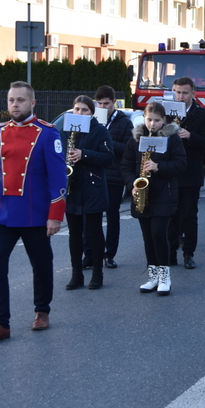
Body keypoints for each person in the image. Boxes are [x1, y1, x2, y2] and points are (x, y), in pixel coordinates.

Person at [0, 81, 66, 345]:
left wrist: (55, 215)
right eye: (11, 100)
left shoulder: (47, 133)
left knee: (41, 265)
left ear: (32, 103)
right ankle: (0, 324)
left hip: (35, 214)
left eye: (20, 100)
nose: (15, 105)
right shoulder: (1, 131)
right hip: (4, 213)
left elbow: (58, 178)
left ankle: (42, 311)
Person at [121, 102, 187, 296]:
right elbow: (125, 166)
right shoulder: (135, 139)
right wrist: (132, 185)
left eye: (157, 120)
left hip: (164, 193)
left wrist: (159, 167)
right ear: (144, 118)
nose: (152, 124)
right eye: (149, 119)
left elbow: (181, 164)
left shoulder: (172, 138)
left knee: (158, 234)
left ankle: (165, 277)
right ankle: (153, 277)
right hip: (142, 194)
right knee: (147, 237)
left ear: (164, 120)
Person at [62, 95, 114, 290]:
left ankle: (97, 273)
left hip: (93, 187)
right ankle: (76, 275)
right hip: (72, 187)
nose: (80, 113)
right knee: (74, 233)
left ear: (92, 113)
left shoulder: (99, 130)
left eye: (85, 110)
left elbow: (108, 158)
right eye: (77, 109)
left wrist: (84, 154)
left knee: (94, 231)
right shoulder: (67, 130)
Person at [167, 77, 205, 269]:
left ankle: (189, 253)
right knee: (171, 216)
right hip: (171, 172)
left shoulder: (203, 114)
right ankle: (170, 253)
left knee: (189, 215)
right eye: (177, 92)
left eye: (184, 93)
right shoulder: (167, 112)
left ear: (193, 93)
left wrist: (190, 136)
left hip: (191, 172)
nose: (180, 96)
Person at [90, 86, 133, 270]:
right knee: (91, 216)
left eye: (106, 103)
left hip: (114, 175)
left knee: (112, 216)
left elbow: (127, 148)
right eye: (99, 104)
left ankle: (110, 254)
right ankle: (91, 254)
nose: (102, 107)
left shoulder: (125, 122)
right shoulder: (92, 120)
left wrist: (105, 140)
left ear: (114, 102)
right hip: (94, 173)